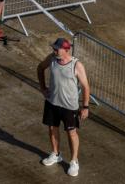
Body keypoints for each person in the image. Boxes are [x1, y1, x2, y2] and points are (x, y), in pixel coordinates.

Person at [38, 37, 91, 176]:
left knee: (71, 133)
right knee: (52, 128)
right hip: (52, 103)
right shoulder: (52, 59)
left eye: (57, 48)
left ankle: (74, 161)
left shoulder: (76, 65)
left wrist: (85, 107)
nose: (54, 50)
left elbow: (86, 87)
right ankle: (56, 154)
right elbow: (40, 68)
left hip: (69, 107)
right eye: (54, 48)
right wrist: (43, 88)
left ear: (66, 50)